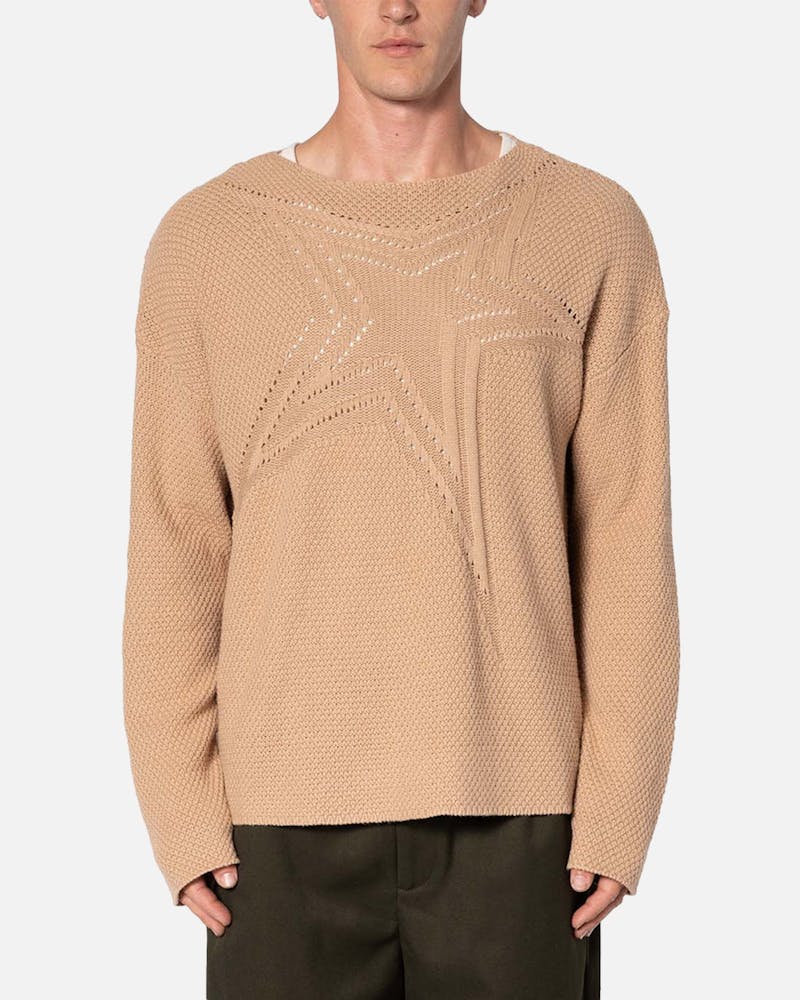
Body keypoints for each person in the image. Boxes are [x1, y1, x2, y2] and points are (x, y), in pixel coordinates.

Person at [121, 1, 680, 996]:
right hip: (272, 830)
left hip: (524, 822)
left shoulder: (591, 228)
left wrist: (620, 802)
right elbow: (177, 539)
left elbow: (626, 535)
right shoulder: (205, 242)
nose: (396, 6)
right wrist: (177, 805)